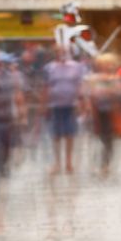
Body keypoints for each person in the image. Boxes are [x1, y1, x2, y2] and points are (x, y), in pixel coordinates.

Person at [43, 47, 86, 175]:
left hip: (71, 105)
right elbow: (46, 87)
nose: (61, 54)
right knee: (55, 135)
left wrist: (82, 103)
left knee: (69, 134)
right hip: (54, 106)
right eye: (58, 52)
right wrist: (44, 105)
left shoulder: (75, 67)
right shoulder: (49, 68)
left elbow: (79, 85)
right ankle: (57, 163)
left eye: (63, 52)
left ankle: (68, 162)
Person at [85, 53, 121, 177]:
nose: (108, 66)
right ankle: (94, 164)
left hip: (110, 112)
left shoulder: (115, 78)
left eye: (110, 64)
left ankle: (105, 165)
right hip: (95, 113)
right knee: (95, 140)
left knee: (108, 141)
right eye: (105, 64)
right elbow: (89, 93)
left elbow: (120, 92)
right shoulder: (93, 78)